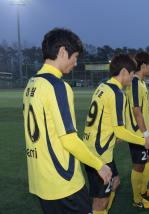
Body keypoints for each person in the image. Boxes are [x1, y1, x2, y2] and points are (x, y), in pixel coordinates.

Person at [23, 28, 112, 214]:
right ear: (63, 52)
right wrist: (99, 166)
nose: (76, 62)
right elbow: (69, 140)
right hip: (63, 182)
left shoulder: (32, 83)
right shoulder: (57, 86)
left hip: (40, 181)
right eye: (75, 56)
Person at [83, 54, 149, 213]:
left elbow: (105, 121)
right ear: (124, 72)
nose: (132, 77)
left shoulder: (102, 87)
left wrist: (113, 136)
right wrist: (144, 141)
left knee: (115, 182)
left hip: (93, 149)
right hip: (99, 154)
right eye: (131, 73)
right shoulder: (116, 93)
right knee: (100, 201)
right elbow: (119, 130)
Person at [125, 51, 149, 209]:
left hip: (145, 131)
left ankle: (143, 190)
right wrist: (145, 135)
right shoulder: (135, 83)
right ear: (143, 66)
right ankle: (137, 199)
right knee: (139, 165)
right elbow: (136, 110)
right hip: (138, 133)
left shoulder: (141, 83)